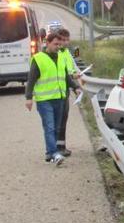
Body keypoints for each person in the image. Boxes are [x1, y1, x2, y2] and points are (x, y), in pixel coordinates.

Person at [24, 31, 69, 166]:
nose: (58, 47)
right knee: (49, 127)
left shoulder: (61, 57)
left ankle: (49, 153)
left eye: (59, 45)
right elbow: (31, 80)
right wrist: (28, 97)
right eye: (55, 44)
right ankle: (55, 153)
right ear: (47, 43)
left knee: (56, 127)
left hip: (59, 98)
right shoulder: (39, 59)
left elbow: (66, 76)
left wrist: (75, 87)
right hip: (44, 100)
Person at [54, 27, 83, 156]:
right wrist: (74, 82)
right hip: (57, 90)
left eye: (67, 40)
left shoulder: (66, 52)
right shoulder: (57, 53)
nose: (65, 43)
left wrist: (74, 74)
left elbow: (69, 70)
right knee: (57, 120)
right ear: (58, 40)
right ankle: (56, 148)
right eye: (63, 40)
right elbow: (62, 73)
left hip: (65, 89)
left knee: (63, 119)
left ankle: (61, 146)